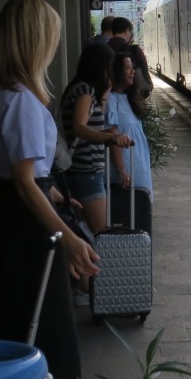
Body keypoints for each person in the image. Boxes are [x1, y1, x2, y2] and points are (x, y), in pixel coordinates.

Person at [0, 0, 99, 379]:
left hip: (6, 211)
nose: (55, 45)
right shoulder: (22, 101)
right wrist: (69, 239)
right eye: (51, 36)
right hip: (29, 225)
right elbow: (26, 183)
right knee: (51, 334)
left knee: (20, 323)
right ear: (35, 40)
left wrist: (54, 195)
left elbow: (0, 168)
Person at [59, 43, 132, 235]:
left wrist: (103, 97)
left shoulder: (78, 89)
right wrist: (112, 137)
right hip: (87, 173)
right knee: (101, 233)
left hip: (81, 171)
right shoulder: (85, 91)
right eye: (109, 66)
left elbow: (91, 123)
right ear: (101, 66)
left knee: (85, 233)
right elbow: (80, 127)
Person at [106, 52, 153, 199]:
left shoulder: (130, 98)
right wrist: (121, 169)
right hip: (126, 168)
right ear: (118, 71)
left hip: (139, 164)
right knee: (132, 205)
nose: (133, 72)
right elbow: (112, 135)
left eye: (132, 68)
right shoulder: (111, 99)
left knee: (142, 203)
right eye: (128, 68)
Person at [108, 16, 154, 97]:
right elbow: (145, 79)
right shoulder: (134, 50)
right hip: (130, 96)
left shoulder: (103, 50)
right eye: (130, 32)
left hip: (109, 95)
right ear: (127, 31)